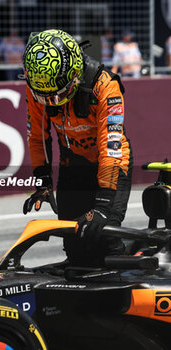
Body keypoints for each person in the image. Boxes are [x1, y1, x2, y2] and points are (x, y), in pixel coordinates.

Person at [23, 29, 133, 267]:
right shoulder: (40, 86)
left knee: (104, 237)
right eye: (44, 96)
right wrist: (42, 180)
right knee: (74, 243)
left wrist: (103, 204)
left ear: (74, 74)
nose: (49, 101)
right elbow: (37, 136)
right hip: (73, 162)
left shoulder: (105, 87)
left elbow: (111, 148)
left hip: (112, 163)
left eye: (56, 94)